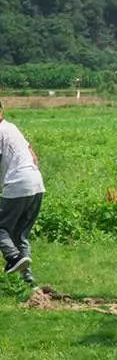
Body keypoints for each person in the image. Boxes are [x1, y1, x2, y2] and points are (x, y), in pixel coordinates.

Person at [0, 100, 44, 286]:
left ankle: (13, 256)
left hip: (18, 183)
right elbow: (33, 155)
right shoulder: (11, 128)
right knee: (20, 234)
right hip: (36, 182)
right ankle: (29, 281)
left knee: (1, 228)